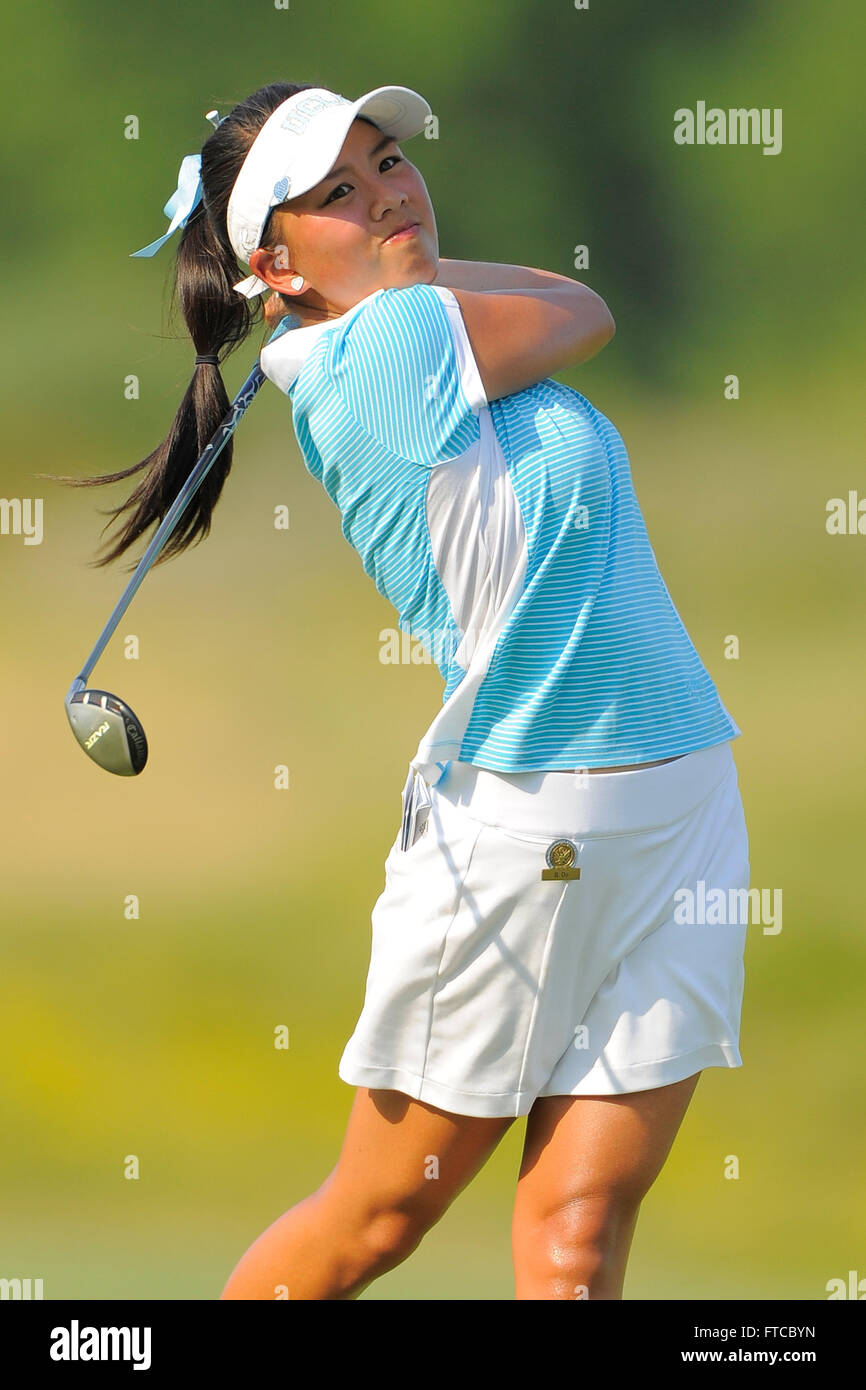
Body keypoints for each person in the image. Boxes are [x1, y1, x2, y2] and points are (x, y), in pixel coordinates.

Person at [59, 81, 751, 1300]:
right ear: (270, 263)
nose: (392, 194)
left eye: (389, 166)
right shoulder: (376, 349)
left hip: (679, 795)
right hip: (525, 823)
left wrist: (367, 253)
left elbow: (554, 305)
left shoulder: (394, 320)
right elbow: (581, 305)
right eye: (339, 191)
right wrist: (382, 272)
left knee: (579, 1227)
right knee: (377, 1218)